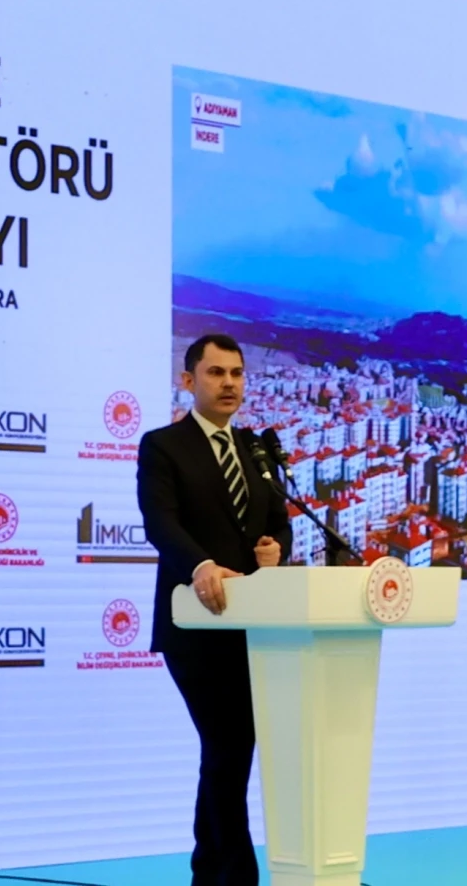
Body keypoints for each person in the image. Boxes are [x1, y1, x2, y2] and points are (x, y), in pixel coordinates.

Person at [137, 333, 291, 886]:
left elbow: (278, 522)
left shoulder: (255, 449)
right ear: (188, 380)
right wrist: (200, 564)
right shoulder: (163, 446)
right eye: (216, 372)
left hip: (254, 626)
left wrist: (276, 549)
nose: (229, 383)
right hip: (196, 625)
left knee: (230, 751)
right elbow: (160, 522)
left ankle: (212, 872)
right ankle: (233, 875)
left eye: (237, 373)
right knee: (228, 745)